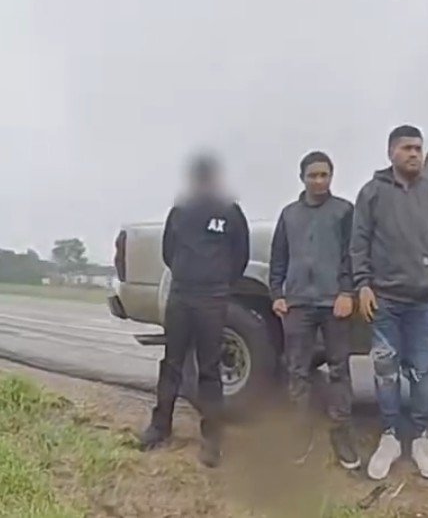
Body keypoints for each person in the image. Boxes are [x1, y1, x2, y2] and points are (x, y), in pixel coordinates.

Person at [350, 125, 428, 481]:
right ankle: (391, 436)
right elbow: (359, 242)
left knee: (423, 370)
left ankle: (422, 437)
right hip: (384, 300)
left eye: (419, 148)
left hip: (425, 299)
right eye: (407, 148)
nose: (415, 154)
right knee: (385, 370)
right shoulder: (372, 193)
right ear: (391, 153)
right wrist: (362, 285)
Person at [139, 153, 250, 468]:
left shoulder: (230, 212)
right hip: (181, 296)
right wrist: (187, 276)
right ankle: (160, 427)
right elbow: (168, 252)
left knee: (210, 369)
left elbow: (239, 256)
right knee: (171, 364)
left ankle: (213, 438)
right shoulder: (180, 211)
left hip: (212, 299)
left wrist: (217, 282)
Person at [269, 151, 360, 470]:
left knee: (339, 369)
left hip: (334, 302)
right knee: (297, 370)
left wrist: (347, 291)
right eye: (313, 175)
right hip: (297, 304)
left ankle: (341, 433)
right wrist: (277, 293)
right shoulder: (289, 214)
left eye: (325, 175)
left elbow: (353, 255)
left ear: (332, 177)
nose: (319, 181)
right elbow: (278, 257)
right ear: (302, 178)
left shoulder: (344, 211)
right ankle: (300, 431)